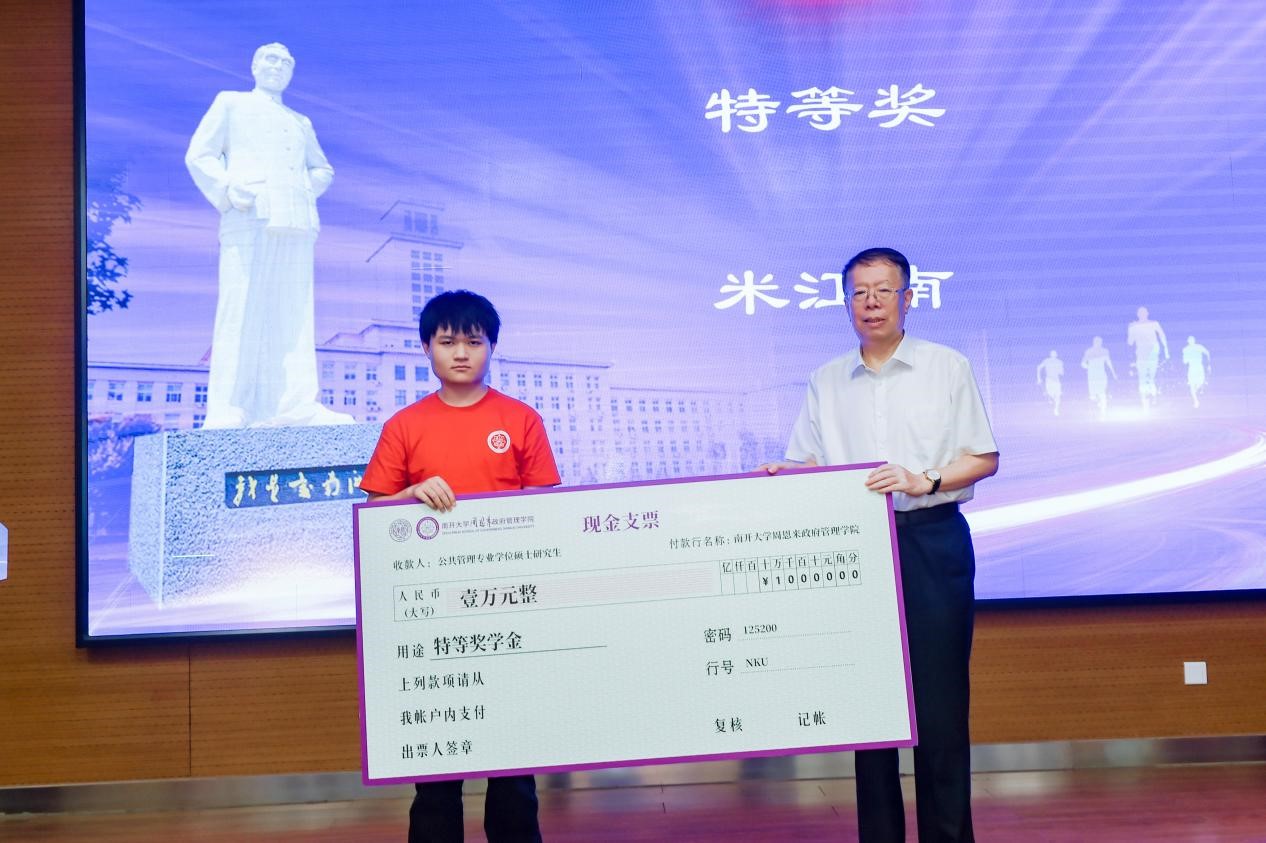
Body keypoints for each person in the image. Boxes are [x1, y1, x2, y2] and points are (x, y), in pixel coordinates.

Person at [763, 247, 998, 842]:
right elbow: (811, 463)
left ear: (908, 298)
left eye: (883, 290)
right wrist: (786, 475)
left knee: (940, 706)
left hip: (931, 540)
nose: (870, 303)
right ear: (846, 302)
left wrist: (927, 479)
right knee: (869, 708)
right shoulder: (826, 380)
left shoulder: (946, 367)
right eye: (859, 293)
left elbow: (984, 457)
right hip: (856, 550)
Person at [359, 290, 559, 843]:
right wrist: (410, 494)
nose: (462, 352)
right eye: (448, 342)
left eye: (474, 341)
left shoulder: (521, 419)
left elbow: (546, 509)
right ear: (427, 348)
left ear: (492, 347)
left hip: (509, 601)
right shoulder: (404, 424)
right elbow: (374, 511)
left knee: (514, 764)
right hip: (431, 608)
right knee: (436, 773)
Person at [186, 43, 352, 428]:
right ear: (255, 66)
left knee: (294, 314)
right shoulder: (232, 103)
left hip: (296, 221)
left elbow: (322, 169)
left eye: (286, 62)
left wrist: (302, 190)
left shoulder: (300, 121)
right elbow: (199, 155)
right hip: (250, 215)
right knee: (241, 308)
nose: (278, 66)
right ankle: (229, 406)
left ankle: (298, 405)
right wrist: (228, 189)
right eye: (270, 59)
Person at [1126, 306, 1168, 413]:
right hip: (1142, 354)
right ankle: (1146, 404)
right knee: (1144, 378)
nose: (1142, 314)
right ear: (1138, 314)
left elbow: (1162, 336)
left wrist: (1166, 350)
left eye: (1144, 312)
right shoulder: (1134, 326)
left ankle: (1152, 398)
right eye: (1141, 312)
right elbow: (1130, 342)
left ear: (1147, 313)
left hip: (1152, 352)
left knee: (1149, 377)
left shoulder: (1153, 323)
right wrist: (1130, 329)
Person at [1080, 336, 1117, 419]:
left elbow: (1109, 362)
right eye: (1097, 342)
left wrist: (1114, 373)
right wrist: (1089, 367)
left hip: (1101, 375)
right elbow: (1082, 363)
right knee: (1093, 396)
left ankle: (1103, 412)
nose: (1098, 344)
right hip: (1092, 376)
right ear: (1094, 342)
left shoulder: (1104, 351)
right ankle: (1098, 405)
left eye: (1099, 342)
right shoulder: (1089, 351)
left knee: (1102, 392)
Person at [1181, 335, 1212, 408]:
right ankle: (1196, 401)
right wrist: (1188, 358)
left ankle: (1196, 391)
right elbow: (1184, 361)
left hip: (1199, 367)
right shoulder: (1186, 349)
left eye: (1192, 340)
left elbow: (1207, 352)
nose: (1191, 341)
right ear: (1188, 341)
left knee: (1200, 382)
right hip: (1192, 368)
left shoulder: (1199, 347)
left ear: (1194, 340)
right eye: (1190, 340)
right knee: (1192, 386)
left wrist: (1209, 364)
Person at [1035, 350, 1064, 416]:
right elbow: (1039, 367)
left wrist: (1058, 369)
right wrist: (1038, 378)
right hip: (1049, 380)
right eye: (1052, 354)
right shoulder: (1047, 361)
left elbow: (1061, 373)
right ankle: (1051, 400)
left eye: (1054, 354)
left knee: (1058, 396)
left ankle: (1056, 409)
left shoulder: (1059, 362)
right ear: (1050, 355)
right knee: (1051, 394)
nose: (1053, 355)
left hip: (1056, 381)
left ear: (1056, 355)